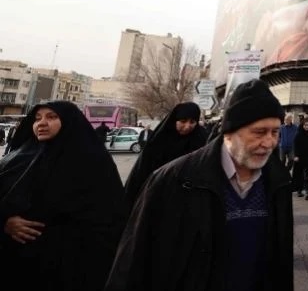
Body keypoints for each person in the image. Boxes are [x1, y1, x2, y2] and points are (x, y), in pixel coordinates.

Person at [105, 79, 293, 290]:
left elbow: (280, 261)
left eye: (275, 132)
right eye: (259, 132)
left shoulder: (279, 181)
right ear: (229, 132)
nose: (269, 142)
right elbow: (132, 263)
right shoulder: (172, 180)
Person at [0, 101, 126, 290]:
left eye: (51, 117)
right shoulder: (18, 157)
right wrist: (5, 222)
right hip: (14, 261)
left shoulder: (93, 162)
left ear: (69, 121)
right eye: (37, 118)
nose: (42, 123)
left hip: (68, 265)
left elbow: (109, 218)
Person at [123, 102, 207, 209]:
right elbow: (141, 173)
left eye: (192, 122)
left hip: (189, 201)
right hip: (158, 197)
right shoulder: (159, 141)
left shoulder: (201, 139)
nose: (187, 126)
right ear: (174, 120)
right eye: (183, 121)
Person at [292, 119, 308, 200]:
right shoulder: (298, 133)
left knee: (307, 173)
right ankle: (299, 190)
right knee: (299, 173)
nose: (307, 127)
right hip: (300, 156)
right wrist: (295, 155)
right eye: (305, 125)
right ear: (302, 125)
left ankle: (307, 191)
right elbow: (295, 145)